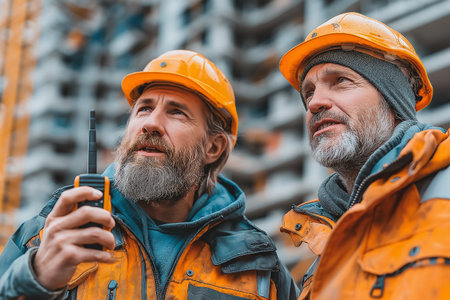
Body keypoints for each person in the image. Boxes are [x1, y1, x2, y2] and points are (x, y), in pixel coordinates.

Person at [0, 50, 299, 299]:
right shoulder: (50, 232)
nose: (151, 123)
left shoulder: (258, 265)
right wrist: (33, 277)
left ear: (214, 147)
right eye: (143, 109)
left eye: (176, 112)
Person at [278, 12, 450, 299]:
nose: (315, 103)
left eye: (341, 81)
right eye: (308, 92)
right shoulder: (319, 261)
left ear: (393, 103)